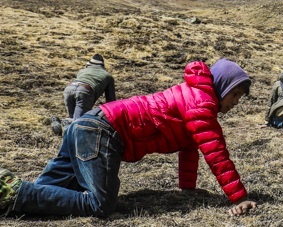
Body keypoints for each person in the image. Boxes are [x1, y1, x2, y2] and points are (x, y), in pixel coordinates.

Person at [0, 58, 257, 218]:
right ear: (222, 85)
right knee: (99, 205)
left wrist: (187, 189)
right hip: (103, 131)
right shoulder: (201, 103)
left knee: (48, 194)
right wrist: (239, 198)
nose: (235, 102)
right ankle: (13, 190)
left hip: (89, 123)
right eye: (234, 94)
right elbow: (216, 154)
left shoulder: (193, 96)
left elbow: (190, 147)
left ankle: (10, 194)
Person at [50, 54, 117, 136]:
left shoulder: (82, 71)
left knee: (73, 118)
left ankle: (62, 123)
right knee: (79, 123)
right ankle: (66, 123)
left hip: (69, 89)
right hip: (85, 91)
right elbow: (111, 101)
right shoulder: (108, 76)